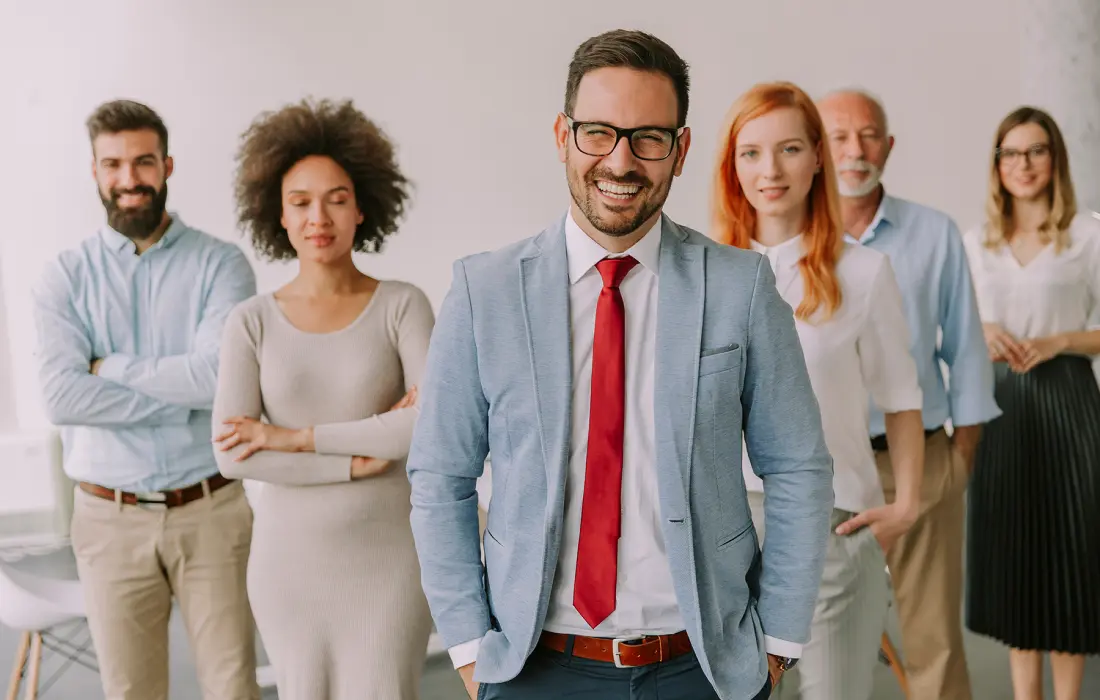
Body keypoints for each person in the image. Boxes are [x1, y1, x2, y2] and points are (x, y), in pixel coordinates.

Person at [407, 30, 834, 700]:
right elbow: (440, 479)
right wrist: (468, 650)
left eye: (648, 138)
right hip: (531, 671)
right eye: (598, 133)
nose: (621, 160)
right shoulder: (484, 291)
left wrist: (776, 644)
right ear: (562, 135)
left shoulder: (740, 287)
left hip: (703, 670)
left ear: (682, 150)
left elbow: (799, 468)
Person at [30, 100, 260, 700]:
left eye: (143, 161)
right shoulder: (64, 277)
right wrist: (183, 395)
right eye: (113, 164)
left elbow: (217, 381)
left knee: (232, 686)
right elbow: (61, 396)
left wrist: (110, 369)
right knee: (130, 691)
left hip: (211, 508)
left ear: (167, 165)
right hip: (109, 519)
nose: (128, 179)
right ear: (95, 172)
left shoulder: (221, 265)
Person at [210, 98, 435, 700]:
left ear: (362, 206)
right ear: (277, 215)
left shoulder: (402, 305)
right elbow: (234, 456)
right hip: (289, 566)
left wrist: (294, 438)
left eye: (336, 198)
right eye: (300, 202)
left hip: (389, 559)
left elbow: (427, 429)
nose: (319, 217)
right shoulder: (250, 322)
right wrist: (357, 456)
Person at [712, 81, 925, 700]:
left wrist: (906, 502)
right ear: (732, 166)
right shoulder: (701, 273)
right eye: (750, 152)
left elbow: (903, 398)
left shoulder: (863, 273)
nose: (770, 170)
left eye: (789, 149)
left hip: (833, 527)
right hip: (723, 530)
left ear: (816, 159)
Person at [815, 89, 1000, 700]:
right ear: (816, 148)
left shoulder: (933, 234)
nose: (854, 150)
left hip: (917, 463)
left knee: (932, 641)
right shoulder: (787, 241)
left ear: (888, 147)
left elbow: (967, 350)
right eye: (838, 136)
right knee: (811, 640)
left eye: (868, 135)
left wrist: (960, 460)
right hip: (821, 470)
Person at [962, 106, 1100, 700]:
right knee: (1016, 550)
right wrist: (983, 330)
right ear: (997, 165)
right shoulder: (977, 242)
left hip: (1070, 402)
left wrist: (1060, 341)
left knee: (1072, 548)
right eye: (1010, 153)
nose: (1023, 164)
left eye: (1036, 151)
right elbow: (952, 330)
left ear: (1055, 159)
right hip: (1001, 409)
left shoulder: (1089, 234)